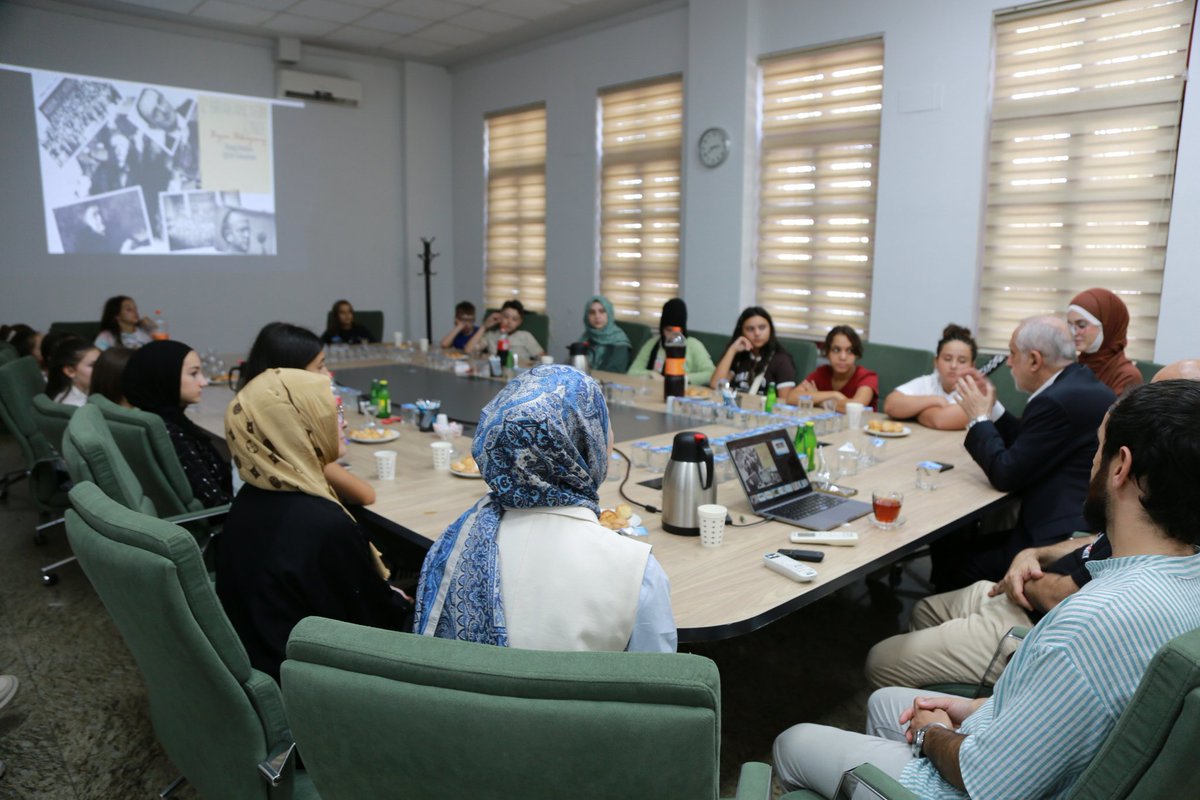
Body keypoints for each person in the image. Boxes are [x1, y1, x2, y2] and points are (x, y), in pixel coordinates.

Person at [773, 379, 1200, 799]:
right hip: (1027, 744)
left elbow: (989, 780)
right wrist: (976, 710)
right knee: (885, 703)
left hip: (971, 784)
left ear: (1120, 466)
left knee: (791, 743)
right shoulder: (1183, 577)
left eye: (1098, 447)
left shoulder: (1090, 621)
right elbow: (1061, 711)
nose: (1091, 463)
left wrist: (932, 734)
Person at [867, 358, 1200, 691]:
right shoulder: (1161, 515)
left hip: (1036, 620)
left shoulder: (1152, 534)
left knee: (879, 661)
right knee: (926, 608)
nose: (1094, 459)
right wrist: (1039, 553)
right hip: (1042, 578)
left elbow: (1066, 599)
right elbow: (1099, 540)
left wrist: (1021, 580)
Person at [415, 364, 676, 653]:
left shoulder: (456, 544)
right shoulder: (639, 572)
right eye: (604, 424)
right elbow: (657, 685)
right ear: (583, 444)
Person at [216, 368, 410, 681]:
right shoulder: (322, 524)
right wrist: (394, 600)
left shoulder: (254, 494)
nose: (344, 421)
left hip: (261, 657)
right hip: (311, 684)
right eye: (333, 413)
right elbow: (375, 626)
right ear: (298, 428)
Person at [941, 316, 1114, 588]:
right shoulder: (1076, 384)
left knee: (957, 561)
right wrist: (992, 406)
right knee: (956, 545)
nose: (1008, 362)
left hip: (1058, 537)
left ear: (1034, 360)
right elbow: (1028, 443)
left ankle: (953, 616)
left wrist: (977, 418)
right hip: (1076, 522)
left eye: (1012, 353)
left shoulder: (1055, 401)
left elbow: (1006, 473)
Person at [234, 322, 374, 506]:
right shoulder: (286, 433)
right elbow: (366, 495)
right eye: (320, 366)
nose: (327, 375)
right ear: (291, 372)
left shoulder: (253, 411)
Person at [122, 340, 231, 508]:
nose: (204, 382)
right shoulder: (171, 433)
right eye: (194, 374)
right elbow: (214, 501)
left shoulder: (153, 421)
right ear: (164, 376)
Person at [883, 324, 1004, 430]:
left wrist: (912, 411)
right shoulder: (930, 381)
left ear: (972, 366)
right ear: (935, 362)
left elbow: (940, 421)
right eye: (947, 359)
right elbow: (890, 405)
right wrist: (935, 400)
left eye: (962, 361)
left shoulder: (977, 390)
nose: (953, 366)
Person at [1067, 287, 1142, 394]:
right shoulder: (1074, 366)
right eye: (1070, 325)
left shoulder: (1127, 376)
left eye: (1081, 325)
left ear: (1108, 327)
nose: (1074, 332)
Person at [784, 325, 877, 411]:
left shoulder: (867, 377)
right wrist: (834, 394)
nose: (843, 357)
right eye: (836, 350)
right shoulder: (823, 372)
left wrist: (819, 400)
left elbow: (856, 407)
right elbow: (792, 398)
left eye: (849, 351)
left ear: (856, 355)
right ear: (827, 353)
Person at [626, 298, 715, 386]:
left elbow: (711, 374)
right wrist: (651, 374)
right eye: (668, 330)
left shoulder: (693, 345)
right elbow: (632, 372)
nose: (673, 335)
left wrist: (681, 379)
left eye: (677, 330)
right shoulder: (653, 344)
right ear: (662, 328)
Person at [709, 306, 795, 395]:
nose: (757, 333)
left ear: (770, 329)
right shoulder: (739, 356)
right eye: (750, 329)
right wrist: (732, 350)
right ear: (742, 332)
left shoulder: (782, 360)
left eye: (762, 327)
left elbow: (784, 401)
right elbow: (715, 385)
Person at [464, 299, 545, 364]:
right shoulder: (491, 335)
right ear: (500, 317)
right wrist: (484, 326)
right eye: (506, 317)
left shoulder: (525, 336)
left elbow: (543, 358)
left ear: (519, 322)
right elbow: (468, 350)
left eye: (514, 319)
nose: (509, 322)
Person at [578, 295, 632, 373]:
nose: (597, 316)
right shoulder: (586, 337)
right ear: (587, 316)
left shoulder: (619, 342)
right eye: (592, 312)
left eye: (602, 311)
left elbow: (613, 372)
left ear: (609, 314)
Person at [44, 337, 99, 407]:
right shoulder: (74, 405)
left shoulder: (87, 392)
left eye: (101, 363)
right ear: (70, 371)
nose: (101, 368)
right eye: (93, 365)